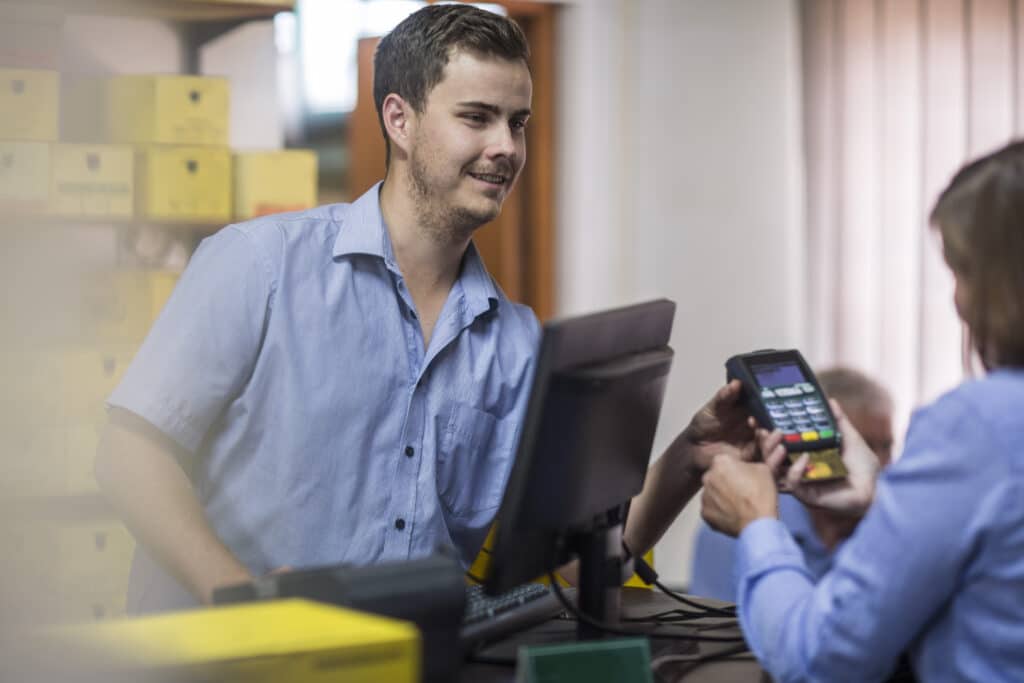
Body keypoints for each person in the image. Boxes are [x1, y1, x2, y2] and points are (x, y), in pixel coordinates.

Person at [95, 4, 754, 614]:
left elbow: (573, 564)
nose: (507, 147)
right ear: (399, 120)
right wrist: (241, 599)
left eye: (517, 122)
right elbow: (130, 451)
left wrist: (691, 456)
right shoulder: (258, 264)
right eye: (477, 117)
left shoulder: (516, 344)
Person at [701, 141, 1024, 681]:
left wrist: (758, 524)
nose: (958, 302)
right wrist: (880, 502)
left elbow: (819, 659)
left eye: (962, 274)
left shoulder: (977, 425)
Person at [689, 367, 894, 601]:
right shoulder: (734, 523)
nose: (878, 462)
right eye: (866, 444)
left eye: (887, 445)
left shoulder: (892, 524)